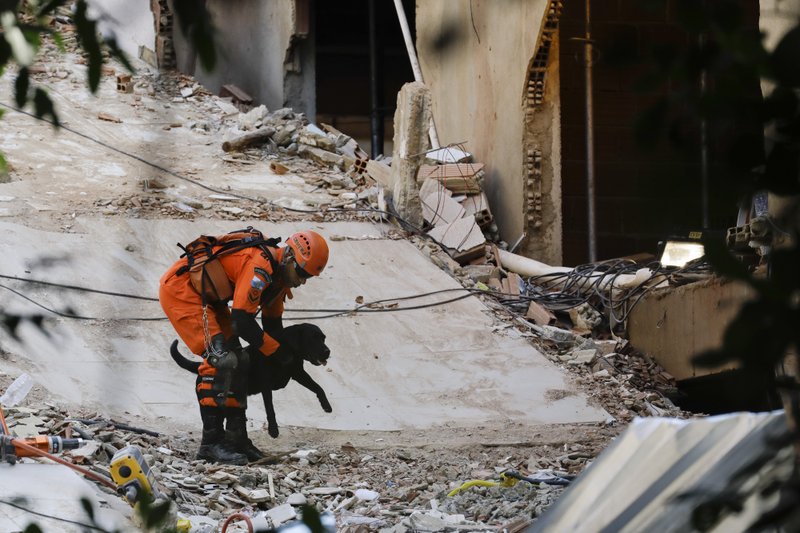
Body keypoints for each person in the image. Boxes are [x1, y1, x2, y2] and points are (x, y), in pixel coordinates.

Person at [159, 229, 329, 465]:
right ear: (289, 256)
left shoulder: (278, 280)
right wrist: (277, 352)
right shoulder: (260, 267)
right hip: (184, 292)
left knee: (241, 361)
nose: (301, 281)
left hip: (211, 299)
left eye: (307, 277)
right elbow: (242, 322)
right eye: (301, 273)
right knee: (222, 360)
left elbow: (272, 329)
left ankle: (236, 439)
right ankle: (210, 444)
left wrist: (287, 358)